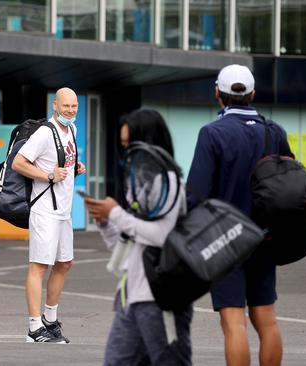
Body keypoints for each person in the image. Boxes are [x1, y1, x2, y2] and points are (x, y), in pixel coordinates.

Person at [186, 64, 286, 366]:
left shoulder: (212, 133)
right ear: (253, 94)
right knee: (267, 321)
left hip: (225, 241)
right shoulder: (274, 132)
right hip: (265, 239)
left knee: (234, 323)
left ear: (218, 94)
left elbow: (196, 196)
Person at [84, 109, 192, 365]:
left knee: (170, 361)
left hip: (161, 296)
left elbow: (161, 235)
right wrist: (105, 222)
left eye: (131, 145)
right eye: (123, 147)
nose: (128, 154)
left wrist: (116, 214)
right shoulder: (138, 184)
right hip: (131, 297)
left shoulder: (169, 181)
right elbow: (127, 247)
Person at [12, 87, 86, 343]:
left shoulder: (72, 131)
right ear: (55, 106)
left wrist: (74, 168)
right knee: (39, 266)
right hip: (44, 210)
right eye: (66, 106)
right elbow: (18, 163)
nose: (70, 110)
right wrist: (48, 176)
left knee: (65, 263)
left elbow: (61, 165)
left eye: (74, 106)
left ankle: (50, 320)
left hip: (64, 211)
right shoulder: (45, 133)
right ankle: (34, 329)